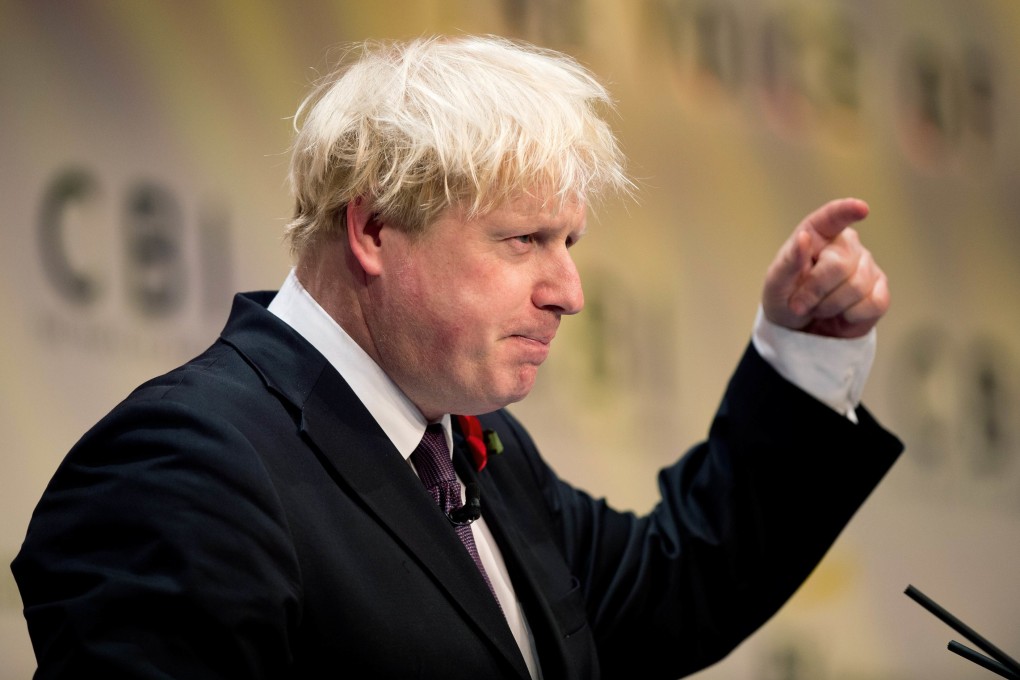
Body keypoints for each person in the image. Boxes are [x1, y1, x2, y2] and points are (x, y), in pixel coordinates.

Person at [12, 35, 902, 680]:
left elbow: (676, 586)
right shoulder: (182, 468)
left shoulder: (474, 450)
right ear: (373, 229)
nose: (569, 291)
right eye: (524, 240)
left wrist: (802, 356)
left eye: (570, 242)